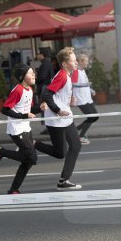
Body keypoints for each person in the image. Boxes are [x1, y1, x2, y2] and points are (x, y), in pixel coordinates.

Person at [0, 65, 51, 194]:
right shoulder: (18, 90)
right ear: (22, 77)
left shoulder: (29, 90)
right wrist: (23, 116)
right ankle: (1, 152)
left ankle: (14, 189)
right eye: (30, 73)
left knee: (27, 162)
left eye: (34, 73)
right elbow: (5, 110)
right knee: (32, 158)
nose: (34, 75)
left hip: (26, 127)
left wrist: (40, 108)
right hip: (17, 130)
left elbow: (28, 110)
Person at [39, 47, 83, 190]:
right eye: (73, 61)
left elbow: (58, 95)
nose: (76, 63)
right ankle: (33, 144)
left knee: (76, 146)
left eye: (76, 60)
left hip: (66, 117)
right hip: (56, 119)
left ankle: (63, 181)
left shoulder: (67, 75)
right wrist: (58, 110)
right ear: (64, 64)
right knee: (60, 153)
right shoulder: (62, 76)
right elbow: (46, 95)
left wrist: (69, 100)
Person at [72, 54, 99, 145]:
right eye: (86, 61)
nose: (88, 63)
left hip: (87, 98)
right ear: (81, 61)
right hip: (80, 99)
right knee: (92, 117)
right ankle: (80, 135)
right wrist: (86, 85)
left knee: (95, 116)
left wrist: (91, 89)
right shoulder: (76, 71)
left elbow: (85, 83)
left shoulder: (83, 71)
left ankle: (75, 131)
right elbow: (73, 84)